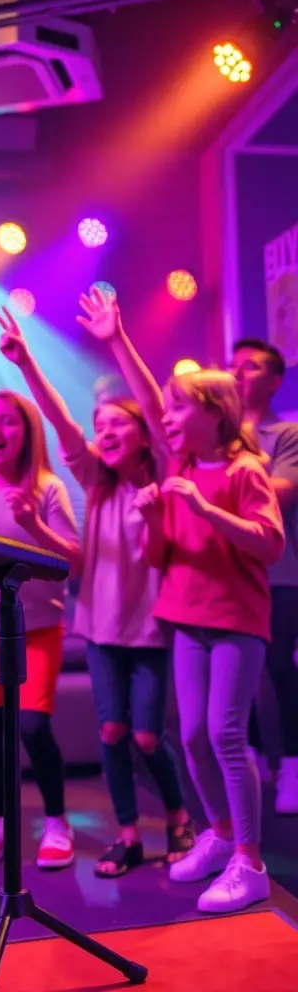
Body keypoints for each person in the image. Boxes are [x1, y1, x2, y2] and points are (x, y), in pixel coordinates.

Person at [81, 287, 284, 911]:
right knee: (192, 735)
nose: (161, 419)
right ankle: (221, 836)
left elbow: (270, 544)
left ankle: (251, 862)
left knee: (224, 734)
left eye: (175, 411)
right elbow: (164, 553)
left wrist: (202, 510)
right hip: (186, 620)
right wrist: (154, 517)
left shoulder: (243, 471)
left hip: (236, 622)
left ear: (216, 413)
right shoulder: (183, 471)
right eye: (164, 411)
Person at [0, 306, 193, 877]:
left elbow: (155, 410)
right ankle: (129, 835)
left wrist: (118, 338)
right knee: (111, 730)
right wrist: (27, 360)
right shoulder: (95, 483)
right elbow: (61, 422)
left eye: (116, 424)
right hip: (102, 631)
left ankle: (179, 817)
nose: (103, 431)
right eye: (99, 423)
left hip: (151, 631)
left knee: (150, 736)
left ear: (143, 437)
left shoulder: (164, 483)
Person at [0, 385, 81, 869]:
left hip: (40, 627)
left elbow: (74, 560)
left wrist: (35, 523)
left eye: (6, 421)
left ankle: (56, 820)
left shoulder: (48, 487)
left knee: (32, 725)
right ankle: (3, 820)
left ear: (27, 433)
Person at [231, 338, 298, 813]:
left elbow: (283, 493)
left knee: (277, 667)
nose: (239, 373)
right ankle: (253, 758)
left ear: (275, 380)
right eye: (233, 366)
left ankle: (292, 765)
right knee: (240, 672)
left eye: (251, 367)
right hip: (230, 572)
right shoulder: (221, 433)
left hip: (280, 573)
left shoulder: (286, 433)